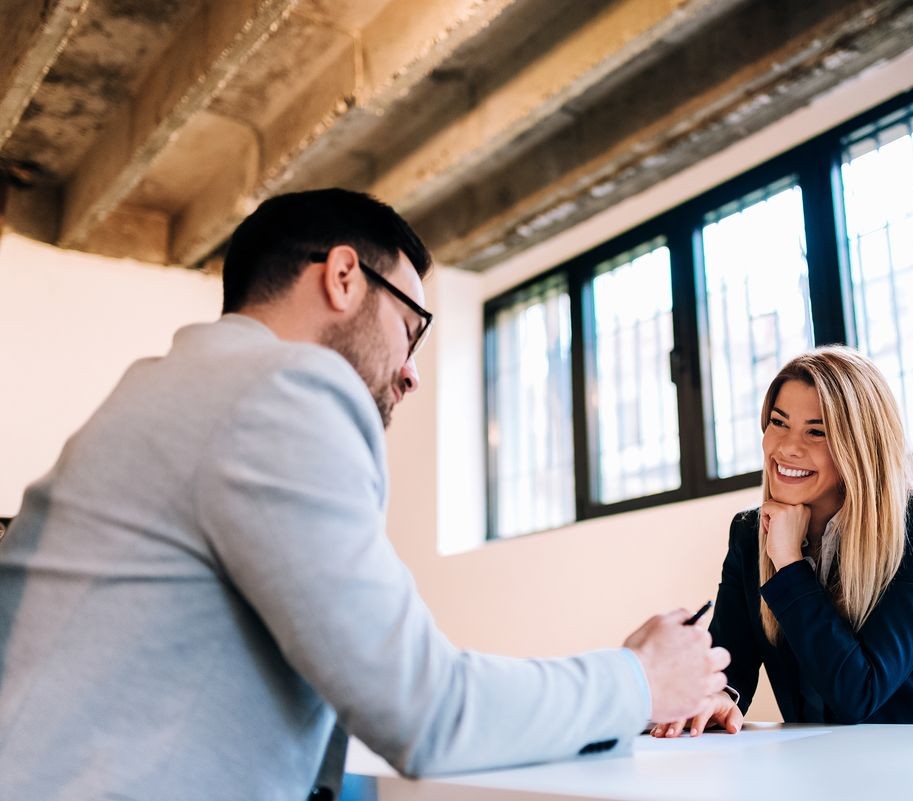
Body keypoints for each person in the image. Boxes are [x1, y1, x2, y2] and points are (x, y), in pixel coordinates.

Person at [0, 189, 730, 800]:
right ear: (343, 277)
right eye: (411, 329)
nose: (411, 372)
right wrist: (639, 677)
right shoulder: (282, 386)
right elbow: (426, 708)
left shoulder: (166, 387)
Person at [651, 346, 913, 737]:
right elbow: (730, 664)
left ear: (861, 445)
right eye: (778, 422)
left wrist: (789, 562)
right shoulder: (749, 533)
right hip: (817, 766)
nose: (787, 447)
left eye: (816, 432)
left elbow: (859, 694)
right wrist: (718, 694)